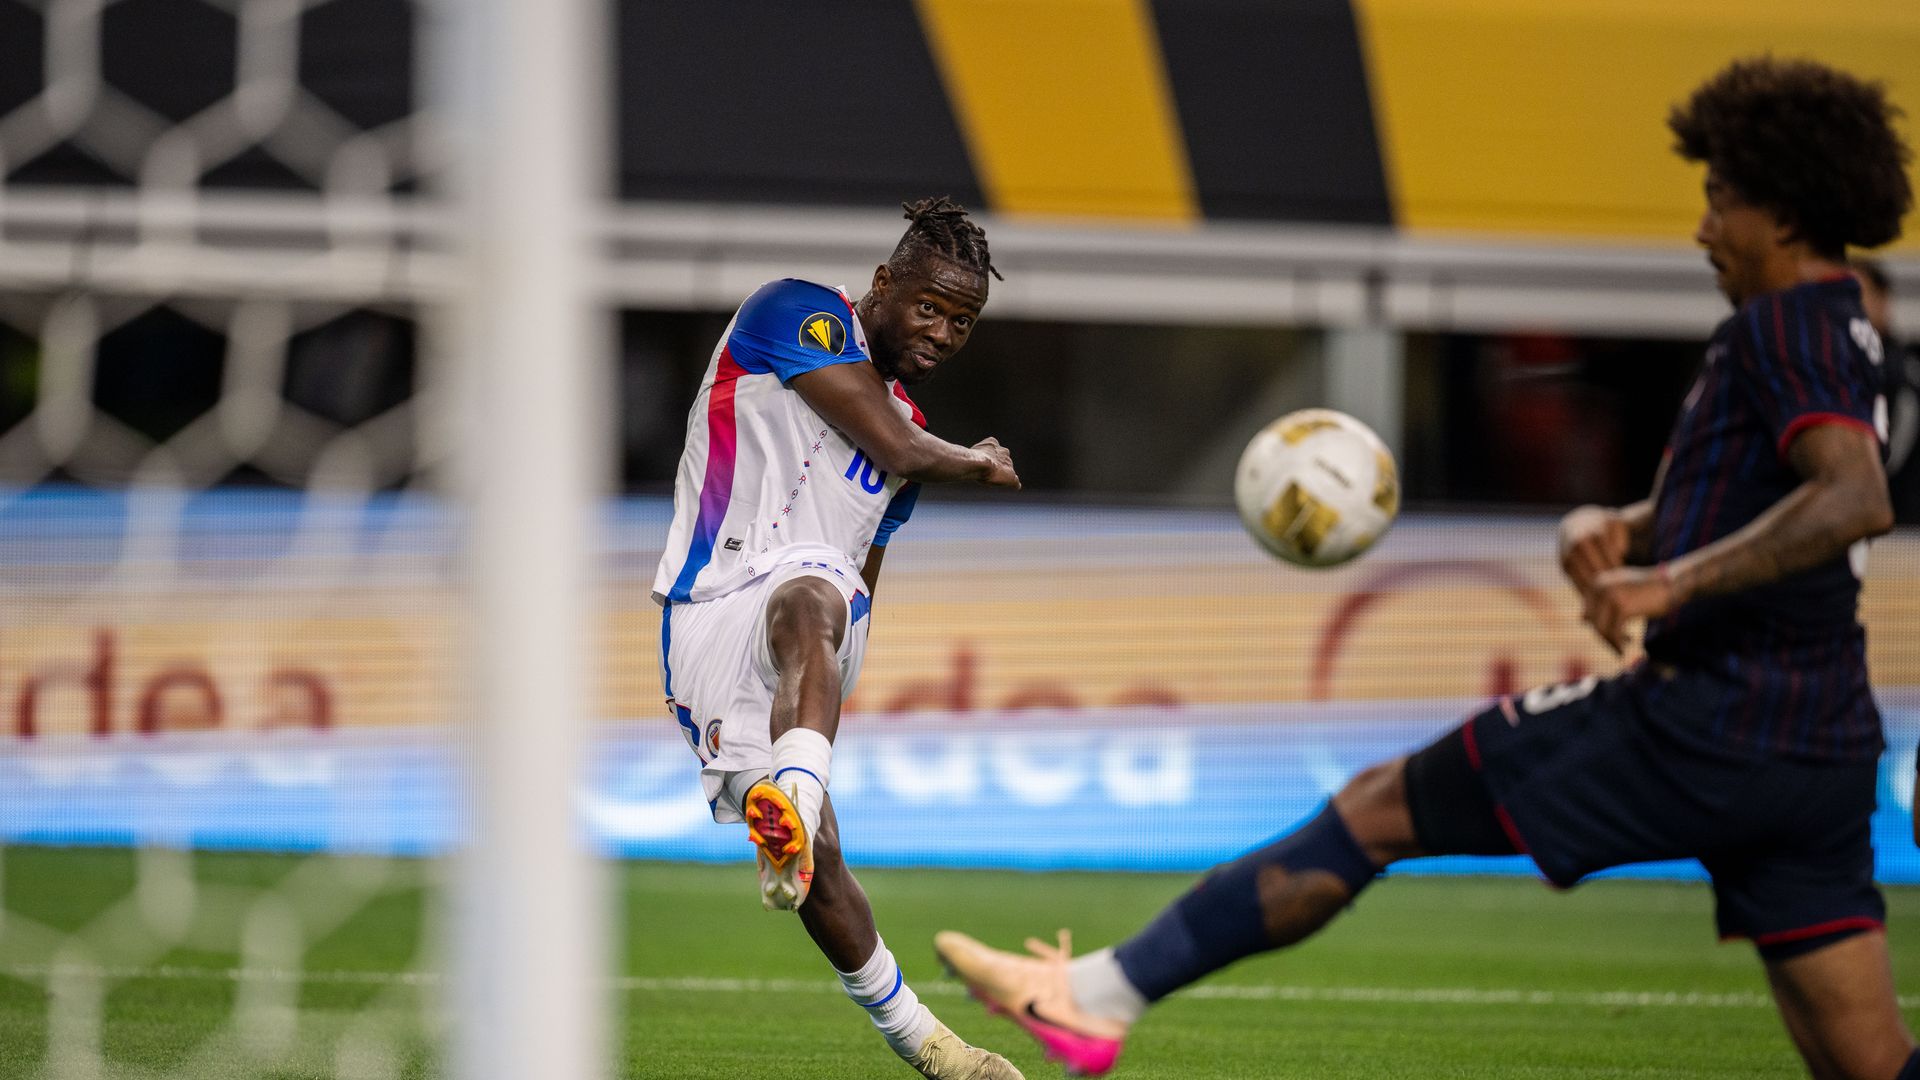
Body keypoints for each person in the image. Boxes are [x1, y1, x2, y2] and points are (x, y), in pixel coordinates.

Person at [936, 57, 1915, 1080]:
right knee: (1870, 1063)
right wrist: (1630, 526)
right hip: (1820, 744)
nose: (1706, 228)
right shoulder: (1844, 321)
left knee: (1379, 809)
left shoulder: (1781, 326)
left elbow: (1853, 497)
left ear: (1788, 214)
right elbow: (1769, 495)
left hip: (1708, 718)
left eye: (1723, 202)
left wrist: (1668, 583)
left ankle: (1095, 997)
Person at [655, 197, 1024, 1080]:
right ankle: (921, 1032)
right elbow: (894, 444)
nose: (940, 331)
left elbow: (858, 583)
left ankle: (936, 1052)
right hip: (707, 617)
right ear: (883, 284)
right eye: (928, 305)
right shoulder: (796, 312)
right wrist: (976, 459)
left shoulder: (910, 450)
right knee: (821, 871)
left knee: (819, 590)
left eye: (963, 321)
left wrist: (822, 708)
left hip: (806, 617)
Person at [1850, 257, 1920, 523]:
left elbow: (1892, 457)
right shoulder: (1840, 366)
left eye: (1858, 295)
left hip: (1899, 532)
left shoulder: (1897, 371)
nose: (1848, 307)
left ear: (1883, 301)